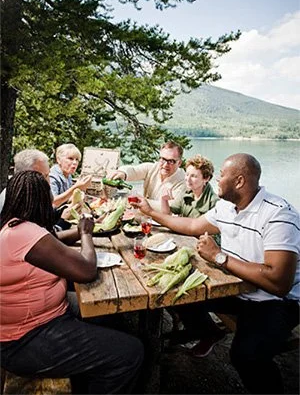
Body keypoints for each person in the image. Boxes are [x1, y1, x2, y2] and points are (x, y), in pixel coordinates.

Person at [131, 153, 300, 394]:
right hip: (237, 289)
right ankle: (209, 332)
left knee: (246, 356)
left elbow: (279, 282)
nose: (217, 180)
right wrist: (151, 213)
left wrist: (219, 257)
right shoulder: (227, 207)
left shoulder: (279, 215)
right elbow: (191, 226)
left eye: (221, 175)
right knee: (176, 293)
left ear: (239, 181)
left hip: (276, 302)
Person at [0, 170, 144, 394]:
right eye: (48, 192)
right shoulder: (24, 234)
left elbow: (53, 242)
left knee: (107, 314)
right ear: (39, 198)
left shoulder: (16, 227)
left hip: (44, 318)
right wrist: (86, 234)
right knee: (130, 353)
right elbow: (86, 270)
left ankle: (88, 374)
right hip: (24, 340)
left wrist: (79, 231)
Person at [0, 149, 76, 230]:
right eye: (42, 177)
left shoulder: (28, 193)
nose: (47, 181)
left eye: (48, 175)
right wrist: (63, 223)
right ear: (27, 175)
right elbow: (38, 236)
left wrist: (61, 213)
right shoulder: (19, 197)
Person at [108, 140, 186, 210]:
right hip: (145, 218)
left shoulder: (183, 181)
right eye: (163, 159)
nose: (165, 165)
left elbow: (173, 206)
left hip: (165, 223)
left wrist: (141, 200)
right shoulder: (152, 168)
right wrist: (123, 173)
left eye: (171, 161)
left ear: (179, 163)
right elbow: (134, 170)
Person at [50, 143, 92, 208]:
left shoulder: (68, 175)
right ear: (58, 160)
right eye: (70, 158)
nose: (75, 163)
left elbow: (67, 199)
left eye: (77, 159)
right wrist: (76, 187)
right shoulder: (52, 176)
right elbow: (53, 202)